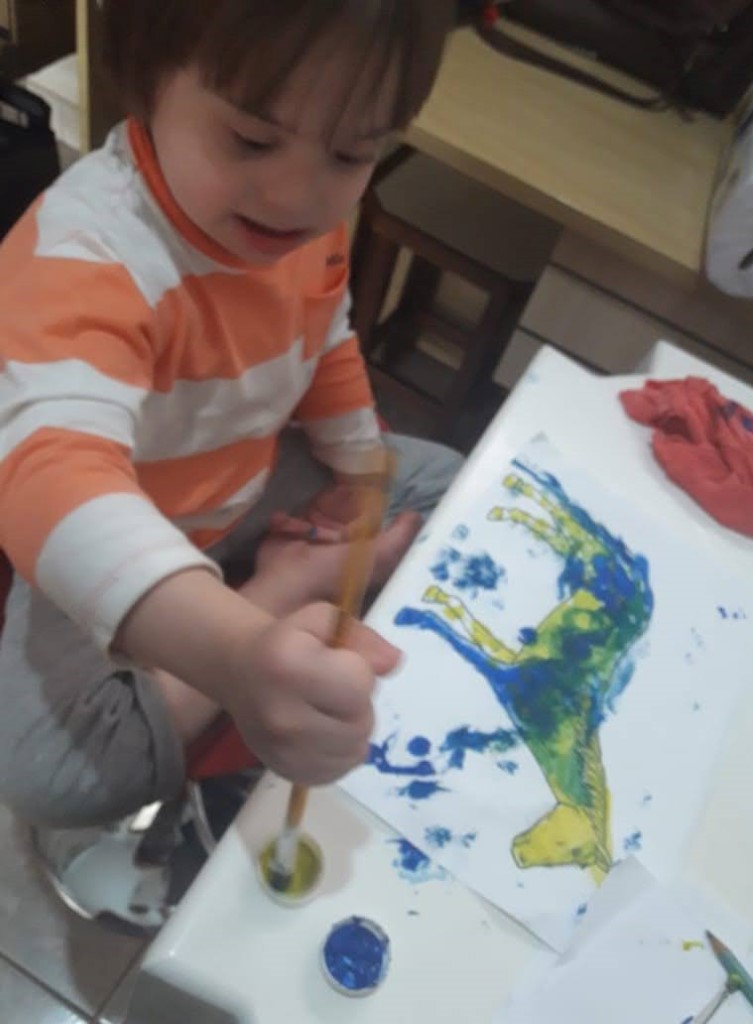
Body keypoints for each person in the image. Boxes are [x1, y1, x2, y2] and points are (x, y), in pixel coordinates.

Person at [0, 0, 460, 832]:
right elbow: (47, 477)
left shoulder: (304, 223)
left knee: (453, 486)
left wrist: (359, 468)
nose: (297, 197)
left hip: (247, 484)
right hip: (124, 525)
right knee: (43, 773)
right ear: (147, 79)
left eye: (351, 153)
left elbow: (326, 334)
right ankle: (289, 582)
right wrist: (241, 654)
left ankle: (289, 576)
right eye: (251, 140)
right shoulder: (83, 252)